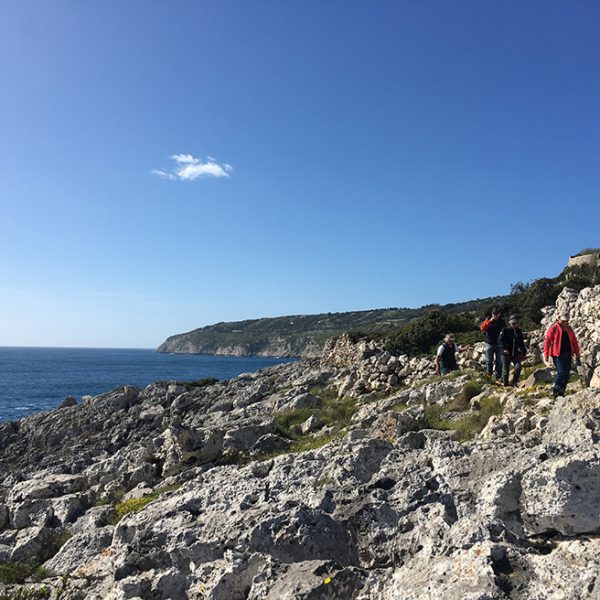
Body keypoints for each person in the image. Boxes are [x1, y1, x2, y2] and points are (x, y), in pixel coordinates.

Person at [543, 312, 581, 399]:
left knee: (566, 374)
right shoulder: (554, 328)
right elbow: (547, 342)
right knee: (561, 372)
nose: (565, 322)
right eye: (563, 321)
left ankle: (561, 392)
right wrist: (546, 355)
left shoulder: (569, 328)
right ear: (558, 319)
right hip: (557, 354)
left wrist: (577, 355)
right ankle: (553, 388)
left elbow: (574, 342)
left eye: (566, 321)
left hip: (568, 354)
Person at [497, 315, 527, 387]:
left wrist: (524, 352)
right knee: (505, 371)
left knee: (518, 367)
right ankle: (506, 385)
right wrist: (504, 349)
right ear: (509, 323)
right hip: (505, 353)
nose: (514, 325)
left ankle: (514, 382)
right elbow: (500, 341)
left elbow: (521, 343)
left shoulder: (519, 331)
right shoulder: (505, 330)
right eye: (513, 323)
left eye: (516, 323)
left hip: (515, 353)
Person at [480, 307, 506, 380]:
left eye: (496, 314)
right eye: (494, 314)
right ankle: (489, 375)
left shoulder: (502, 322)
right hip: (489, 343)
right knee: (489, 360)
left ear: (499, 314)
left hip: (498, 343)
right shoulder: (488, 320)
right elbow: (482, 328)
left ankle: (497, 377)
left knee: (499, 361)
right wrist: (489, 321)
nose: (495, 315)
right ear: (492, 314)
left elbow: (505, 331)